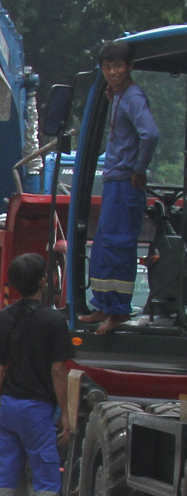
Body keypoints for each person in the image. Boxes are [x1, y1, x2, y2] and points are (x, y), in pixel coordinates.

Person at [0, 252, 76, 496]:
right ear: (43, 281)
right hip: (38, 411)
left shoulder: (6, 317)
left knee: (5, 482)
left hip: (9, 406)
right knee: (47, 486)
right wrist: (66, 414)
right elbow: (58, 370)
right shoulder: (54, 321)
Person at [82, 38, 158, 335]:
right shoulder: (118, 96)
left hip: (126, 181)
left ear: (129, 67)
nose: (112, 72)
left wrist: (138, 169)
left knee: (118, 245)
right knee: (103, 245)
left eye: (118, 66)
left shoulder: (134, 97)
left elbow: (150, 134)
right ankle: (103, 303)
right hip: (114, 180)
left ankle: (118, 310)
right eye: (107, 66)